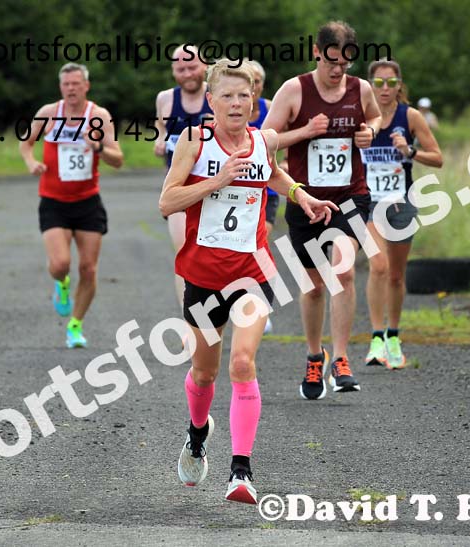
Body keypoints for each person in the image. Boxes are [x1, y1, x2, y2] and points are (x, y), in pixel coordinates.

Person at [159, 59, 337, 504]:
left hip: (252, 274)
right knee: (205, 371)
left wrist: (302, 195)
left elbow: (272, 173)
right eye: (228, 96)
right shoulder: (195, 142)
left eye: (245, 96)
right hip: (203, 276)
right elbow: (167, 201)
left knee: (242, 364)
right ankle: (197, 435)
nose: (237, 104)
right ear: (211, 101)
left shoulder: (262, 140)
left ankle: (242, 472)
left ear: (254, 101)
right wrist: (217, 180)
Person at [262, 21, 382, 400]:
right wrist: (305, 132)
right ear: (317, 52)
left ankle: (341, 359)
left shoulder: (360, 88)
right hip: (306, 199)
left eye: (345, 64)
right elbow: (265, 139)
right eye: (331, 62)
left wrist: (370, 132)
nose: (337, 71)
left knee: (343, 271)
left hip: (351, 195)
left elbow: (375, 116)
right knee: (313, 287)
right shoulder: (294, 90)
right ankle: (315, 355)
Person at [19, 62, 123, 348]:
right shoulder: (49, 114)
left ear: (86, 86)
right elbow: (25, 143)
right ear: (60, 87)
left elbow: (118, 159)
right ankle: (61, 284)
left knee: (88, 269)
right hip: (53, 201)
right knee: (60, 263)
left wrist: (98, 146)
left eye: (76, 83)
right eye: (66, 84)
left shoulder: (98, 116)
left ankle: (75, 326)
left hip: (88, 202)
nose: (71, 89)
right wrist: (31, 162)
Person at [362, 60, 442, 369]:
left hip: (400, 203)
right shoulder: (359, 117)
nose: (384, 89)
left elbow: (438, 158)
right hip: (368, 204)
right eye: (378, 83)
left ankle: (393, 336)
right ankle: (376, 338)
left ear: (399, 84)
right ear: (370, 85)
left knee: (395, 274)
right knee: (378, 266)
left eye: (390, 82)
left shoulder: (410, 117)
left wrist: (410, 152)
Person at [154, 45, 213, 308]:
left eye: (192, 67)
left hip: (213, 189)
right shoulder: (165, 99)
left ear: (205, 67)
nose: (187, 73)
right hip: (178, 190)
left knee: (215, 256)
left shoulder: (216, 97)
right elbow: (161, 129)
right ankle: (189, 317)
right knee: (183, 252)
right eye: (181, 69)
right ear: (173, 71)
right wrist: (160, 140)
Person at [245, 59, 276, 334]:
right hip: (242, 192)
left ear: (261, 85)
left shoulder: (270, 109)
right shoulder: (229, 110)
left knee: (259, 242)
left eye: (256, 82)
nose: (252, 87)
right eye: (248, 81)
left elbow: (281, 151)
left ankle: (262, 303)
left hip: (268, 190)